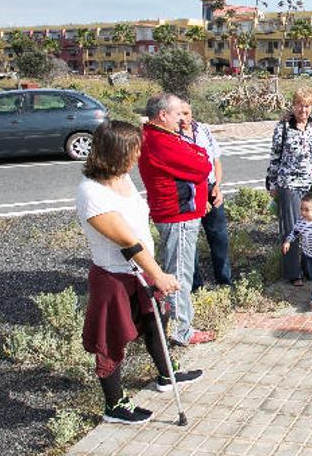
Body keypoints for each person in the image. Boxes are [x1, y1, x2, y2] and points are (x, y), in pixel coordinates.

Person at [77, 121, 202, 425]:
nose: (138, 157)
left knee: (154, 322)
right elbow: (127, 242)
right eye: (133, 151)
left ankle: (166, 374)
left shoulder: (123, 179)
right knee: (111, 340)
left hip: (139, 272)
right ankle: (114, 405)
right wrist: (158, 274)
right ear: (115, 152)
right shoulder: (91, 192)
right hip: (114, 277)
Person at [139, 93, 214, 346]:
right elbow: (202, 164)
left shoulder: (160, 136)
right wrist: (201, 155)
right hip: (177, 214)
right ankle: (181, 331)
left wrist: (199, 154)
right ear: (163, 115)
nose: (181, 119)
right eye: (177, 114)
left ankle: (178, 322)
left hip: (179, 213)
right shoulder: (160, 141)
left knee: (179, 269)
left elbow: (199, 154)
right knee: (180, 273)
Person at [266, 87, 312, 287]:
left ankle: (311, 268)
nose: (304, 110)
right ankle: (293, 273)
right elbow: (275, 156)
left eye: (308, 105)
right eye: (300, 105)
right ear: (293, 106)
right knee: (292, 228)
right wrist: (272, 182)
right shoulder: (283, 126)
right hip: (289, 183)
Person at [179, 102, 232, 290]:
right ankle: (196, 286)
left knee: (219, 237)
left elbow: (216, 159)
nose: (183, 118)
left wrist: (218, 185)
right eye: (179, 114)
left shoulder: (203, 130)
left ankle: (224, 281)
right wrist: (199, 197)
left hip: (210, 187)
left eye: (186, 113)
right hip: (188, 191)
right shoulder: (172, 136)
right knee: (190, 239)